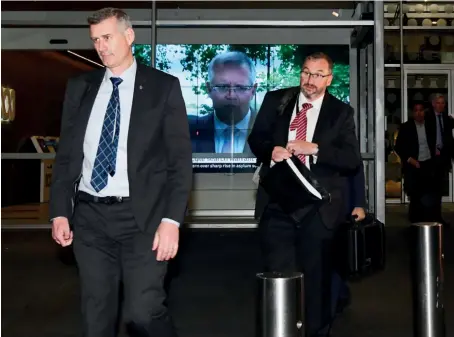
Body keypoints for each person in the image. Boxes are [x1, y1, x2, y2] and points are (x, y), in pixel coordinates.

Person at [49, 8, 192, 337]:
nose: (101, 46)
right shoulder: (80, 87)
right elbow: (68, 155)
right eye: (95, 40)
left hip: (142, 219)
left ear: (129, 36)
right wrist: (59, 211)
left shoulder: (162, 88)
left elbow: (179, 162)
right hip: (90, 218)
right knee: (96, 314)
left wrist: (172, 221)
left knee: (143, 313)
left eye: (107, 37)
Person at [248, 52, 361, 337]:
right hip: (278, 202)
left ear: (329, 79)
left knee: (316, 281)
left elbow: (351, 160)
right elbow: (256, 139)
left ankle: (316, 331)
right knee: (278, 275)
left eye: (318, 75)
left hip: (319, 208)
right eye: (306, 73)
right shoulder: (277, 101)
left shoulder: (341, 112)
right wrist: (269, 151)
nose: (310, 80)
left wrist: (316, 148)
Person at [188, 51, 258, 153]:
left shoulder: (274, 130)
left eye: (240, 88)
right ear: (209, 89)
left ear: (253, 91)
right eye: (222, 87)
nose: (231, 95)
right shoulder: (187, 131)